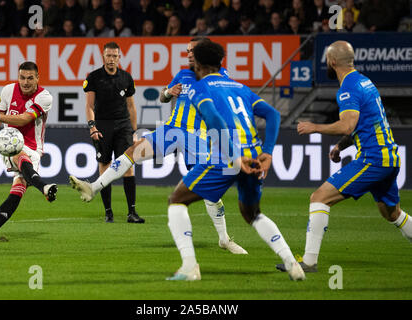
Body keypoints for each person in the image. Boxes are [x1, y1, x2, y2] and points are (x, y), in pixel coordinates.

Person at [70, 37, 248, 255]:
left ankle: (224, 239)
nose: (188, 54)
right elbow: (164, 95)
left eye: (192, 51)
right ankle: (93, 187)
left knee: (210, 192)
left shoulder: (220, 77)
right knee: (132, 152)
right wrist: (168, 92)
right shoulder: (183, 74)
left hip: (198, 137)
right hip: (172, 130)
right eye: (187, 51)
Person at [164, 40, 305, 281]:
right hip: (254, 157)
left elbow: (215, 120)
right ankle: (293, 264)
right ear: (220, 63)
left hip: (225, 158)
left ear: (196, 63)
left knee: (177, 200)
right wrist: (268, 152)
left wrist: (234, 156)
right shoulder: (240, 87)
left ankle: (189, 267)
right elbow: (273, 115)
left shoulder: (199, 88)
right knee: (253, 214)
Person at [276, 41, 412, 273]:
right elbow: (364, 124)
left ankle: (308, 262)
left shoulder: (347, 88)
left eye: (326, 61)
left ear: (332, 62)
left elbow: (348, 125)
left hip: (373, 159)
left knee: (319, 198)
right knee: (392, 213)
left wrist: (314, 127)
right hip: (389, 157)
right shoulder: (365, 81)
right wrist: (341, 146)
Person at [0, 61, 57, 242]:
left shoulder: (44, 97)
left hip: (35, 149)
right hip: (11, 142)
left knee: (17, 190)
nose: (25, 82)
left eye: (30, 78)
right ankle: (44, 187)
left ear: (37, 78)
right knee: (18, 153)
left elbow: (24, 119)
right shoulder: (8, 90)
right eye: (22, 78)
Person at [82, 42, 144, 224]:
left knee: (128, 166)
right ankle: (108, 212)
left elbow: (131, 106)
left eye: (114, 56)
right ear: (103, 56)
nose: (111, 59)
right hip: (103, 125)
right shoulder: (94, 77)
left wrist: (133, 131)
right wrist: (92, 126)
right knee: (105, 165)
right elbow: (89, 106)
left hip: (123, 125)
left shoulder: (126, 78)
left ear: (119, 57)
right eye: (108, 56)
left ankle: (132, 212)